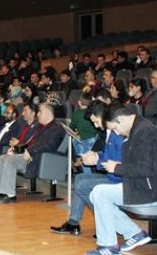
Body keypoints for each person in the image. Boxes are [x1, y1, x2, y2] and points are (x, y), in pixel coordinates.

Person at [85, 105, 157, 255]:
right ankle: (134, 233)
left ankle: (108, 246)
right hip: (139, 185)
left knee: (99, 193)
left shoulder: (145, 132)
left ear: (122, 119)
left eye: (115, 128)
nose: (116, 132)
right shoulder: (136, 129)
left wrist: (117, 168)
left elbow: (146, 169)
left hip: (149, 190)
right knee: (95, 194)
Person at [50, 101, 123, 236]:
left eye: (96, 122)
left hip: (118, 177)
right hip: (111, 174)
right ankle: (73, 223)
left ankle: (108, 220)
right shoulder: (107, 131)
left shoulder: (117, 133)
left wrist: (97, 159)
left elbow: (117, 162)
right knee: (80, 178)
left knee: (82, 183)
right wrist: (94, 155)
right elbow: (106, 155)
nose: (95, 126)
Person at [0, 103, 64, 204]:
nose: (38, 115)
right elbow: (30, 143)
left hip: (40, 160)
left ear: (48, 113)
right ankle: (0, 190)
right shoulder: (41, 127)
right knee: (2, 158)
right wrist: (16, 149)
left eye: (40, 112)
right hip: (31, 156)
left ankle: (10, 195)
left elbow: (48, 145)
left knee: (10, 160)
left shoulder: (57, 128)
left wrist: (30, 150)